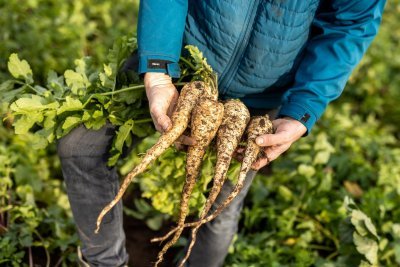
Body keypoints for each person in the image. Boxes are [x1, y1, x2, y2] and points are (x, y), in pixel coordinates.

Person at [57, 0, 386, 266]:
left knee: (220, 205)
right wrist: (158, 72)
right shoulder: (166, 71)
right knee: (82, 146)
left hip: (259, 98)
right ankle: (104, 262)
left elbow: (350, 23)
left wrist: (303, 110)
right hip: (179, 62)